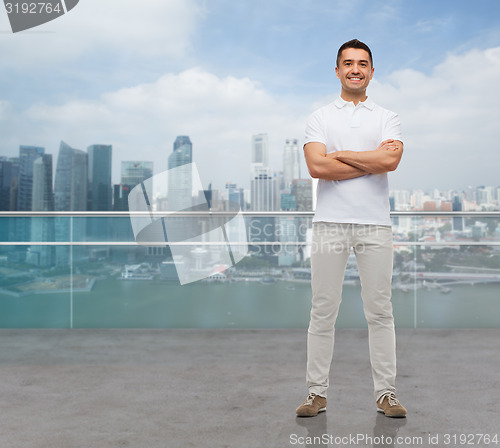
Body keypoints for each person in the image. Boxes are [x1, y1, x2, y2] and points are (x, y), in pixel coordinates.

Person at [296, 39, 407, 418]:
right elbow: (317, 168)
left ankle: (386, 394)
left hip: (376, 225)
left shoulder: (388, 117)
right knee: (323, 311)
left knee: (380, 311)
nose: (355, 69)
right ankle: (316, 394)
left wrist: (339, 154)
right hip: (329, 224)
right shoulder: (320, 116)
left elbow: (390, 162)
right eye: (348, 63)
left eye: (362, 63)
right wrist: (370, 160)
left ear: (372, 71)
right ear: (338, 70)